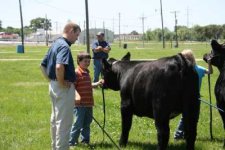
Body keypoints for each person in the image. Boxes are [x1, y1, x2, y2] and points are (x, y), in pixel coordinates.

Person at [40, 22, 81, 150]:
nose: (77, 38)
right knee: (64, 123)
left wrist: (52, 81)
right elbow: (59, 67)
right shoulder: (64, 46)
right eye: (76, 34)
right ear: (70, 30)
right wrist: (62, 83)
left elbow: (42, 65)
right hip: (62, 88)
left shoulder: (55, 44)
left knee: (55, 120)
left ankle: (55, 147)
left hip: (53, 86)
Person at [174, 49, 213, 140]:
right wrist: (209, 63)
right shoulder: (186, 70)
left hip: (194, 97)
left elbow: (210, 72)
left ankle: (186, 134)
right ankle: (180, 135)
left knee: (190, 117)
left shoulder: (197, 69)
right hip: (189, 97)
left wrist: (209, 63)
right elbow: (210, 72)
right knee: (188, 117)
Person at [69, 52, 103, 147]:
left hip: (88, 104)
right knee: (78, 124)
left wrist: (97, 83)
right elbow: (72, 88)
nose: (87, 63)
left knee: (87, 124)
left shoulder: (87, 72)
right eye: (85, 61)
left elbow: (89, 85)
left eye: (89, 61)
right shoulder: (77, 73)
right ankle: (72, 142)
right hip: (79, 105)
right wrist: (77, 98)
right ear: (79, 62)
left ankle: (85, 141)